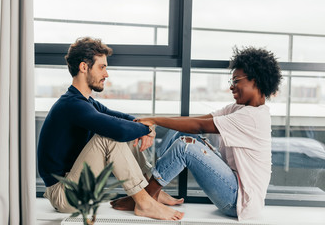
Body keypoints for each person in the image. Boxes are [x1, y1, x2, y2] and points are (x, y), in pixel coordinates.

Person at [111, 46, 282, 221]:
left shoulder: (253, 117)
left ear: (255, 80)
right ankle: (154, 192)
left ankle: (144, 199)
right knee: (182, 133)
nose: (231, 87)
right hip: (230, 183)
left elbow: (199, 126)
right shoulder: (238, 108)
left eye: (236, 80)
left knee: (185, 146)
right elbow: (194, 121)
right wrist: (153, 121)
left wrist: (154, 120)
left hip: (237, 200)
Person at [37, 37, 184, 220]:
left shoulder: (87, 103)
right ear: (84, 67)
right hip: (65, 194)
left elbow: (122, 118)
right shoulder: (71, 105)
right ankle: (144, 202)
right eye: (102, 67)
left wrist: (147, 125)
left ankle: (149, 189)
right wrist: (146, 129)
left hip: (76, 187)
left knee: (125, 131)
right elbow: (119, 131)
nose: (106, 74)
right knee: (109, 137)